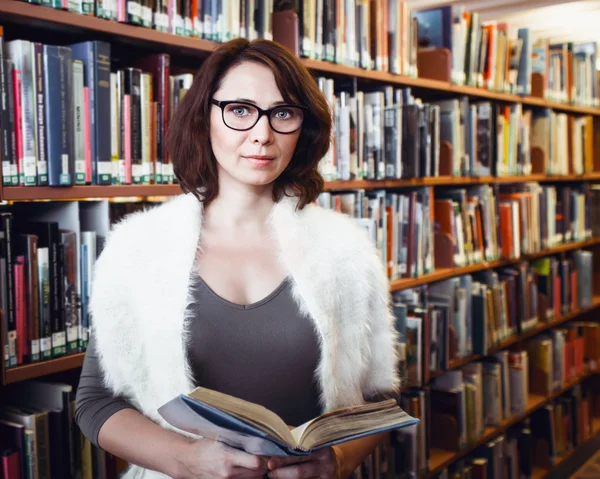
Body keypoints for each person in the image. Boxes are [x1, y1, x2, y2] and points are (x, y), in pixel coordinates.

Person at [75, 38, 401, 479]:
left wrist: (337, 461)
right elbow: (97, 403)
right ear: (205, 117)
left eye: (283, 113)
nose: (262, 134)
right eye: (240, 110)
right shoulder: (138, 249)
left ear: (302, 127)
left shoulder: (345, 252)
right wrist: (184, 460)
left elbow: (379, 399)